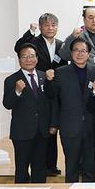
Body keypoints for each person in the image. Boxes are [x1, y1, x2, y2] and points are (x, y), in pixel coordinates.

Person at [14, 13, 66, 176]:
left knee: (53, 128)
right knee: (40, 128)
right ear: (41, 27)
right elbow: (18, 48)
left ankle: (51, 165)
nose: (50, 28)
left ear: (57, 27)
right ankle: (40, 166)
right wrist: (30, 32)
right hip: (38, 88)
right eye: (46, 25)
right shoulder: (34, 42)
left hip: (55, 90)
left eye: (53, 25)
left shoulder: (61, 45)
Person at [44, 37, 95, 182]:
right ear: (71, 53)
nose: (80, 54)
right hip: (69, 126)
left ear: (88, 54)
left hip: (91, 127)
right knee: (71, 166)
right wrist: (49, 81)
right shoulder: (61, 72)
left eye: (83, 51)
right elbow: (52, 96)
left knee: (90, 166)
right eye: (76, 50)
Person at [3, 43, 58, 183]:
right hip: (22, 133)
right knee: (22, 170)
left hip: (41, 131)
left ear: (37, 58)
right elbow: (7, 104)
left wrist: (53, 124)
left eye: (32, 56)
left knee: (40, 169)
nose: (28, 59)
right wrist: (17, 91)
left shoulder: (44, 76)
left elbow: (52, 101)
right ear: (19, 59)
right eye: (24, 56)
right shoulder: (11, 80)